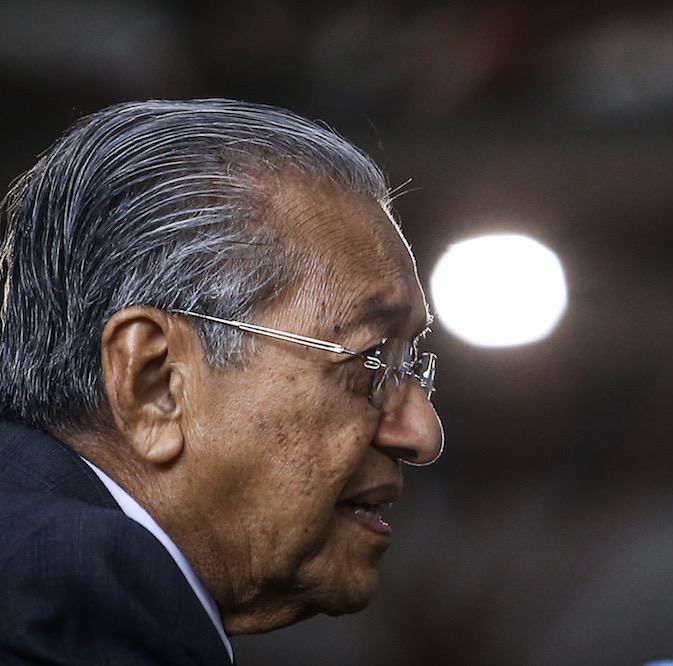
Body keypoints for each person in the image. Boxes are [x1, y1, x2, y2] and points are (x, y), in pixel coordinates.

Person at [0, 99, 444, 664]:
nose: (423, 433)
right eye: (372, 360)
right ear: (155, 383)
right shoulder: (69, 599)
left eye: (413, 368)